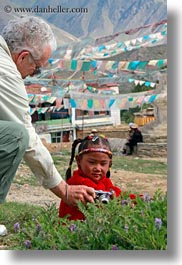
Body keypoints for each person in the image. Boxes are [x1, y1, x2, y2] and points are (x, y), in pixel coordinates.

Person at [0, 16, 95, 220]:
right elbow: (27, 136)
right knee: (15, 136)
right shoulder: (6, 73)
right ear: (23, 57)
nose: (34, 74)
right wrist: (64, 190)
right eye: (37, 68)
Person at [59, 135, 122, 221]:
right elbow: (109, 195)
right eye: (92, 162)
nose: (98, 168)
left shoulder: (104, 181)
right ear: (78, 160)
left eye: (103, 164)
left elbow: (117, 193)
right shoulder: (78, 183)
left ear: (110, 164)